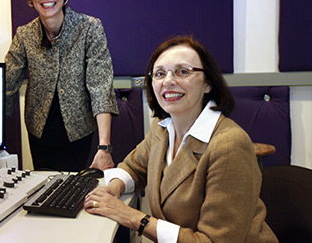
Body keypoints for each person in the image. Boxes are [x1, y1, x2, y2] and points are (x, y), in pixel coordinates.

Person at [84, 36, 278, 242]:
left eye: (182, 71)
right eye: (159, 74)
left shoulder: (229, 145)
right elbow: (134, 167)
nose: (168, 81)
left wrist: (132, 216)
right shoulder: (162, 129)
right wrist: (114, 188)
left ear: (208, 84)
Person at [5, 0, 118, 172]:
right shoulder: (24, 34)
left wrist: (104, 147)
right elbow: (7, 87)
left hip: (78, 133)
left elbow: (101, 86)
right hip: (39, 133)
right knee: (44, 192)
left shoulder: (89, 28)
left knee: (69, 195)